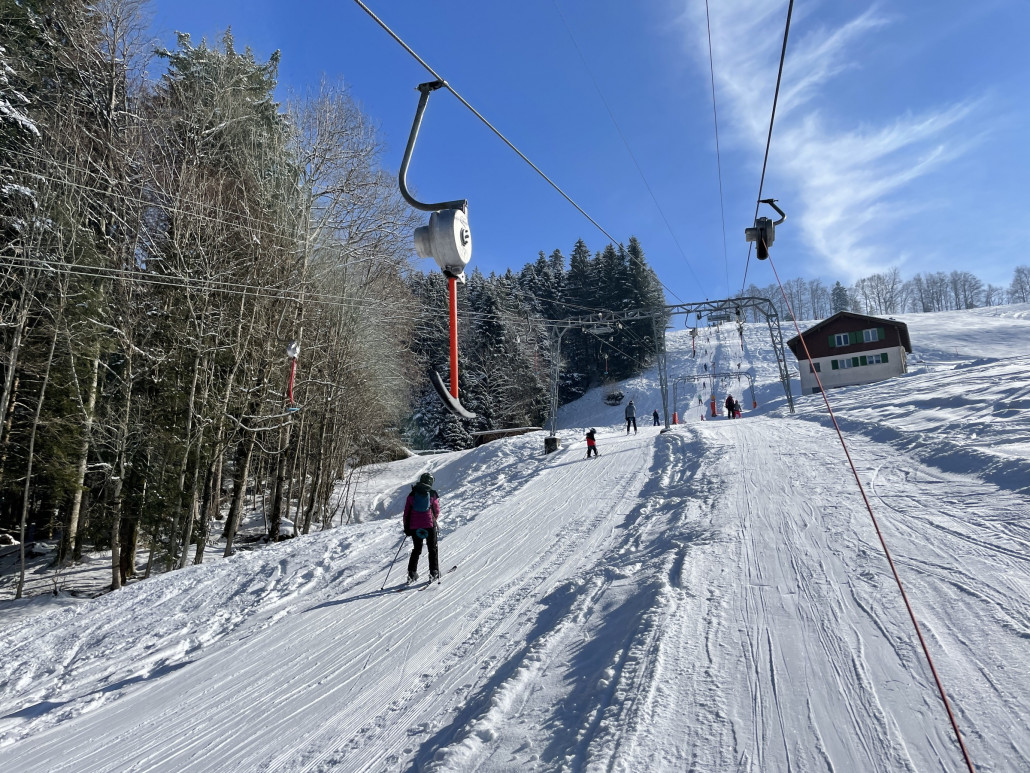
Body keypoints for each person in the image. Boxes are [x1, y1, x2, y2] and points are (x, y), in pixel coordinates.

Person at [403, 472, 440, 583]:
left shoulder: (412, 494)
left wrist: (407, 527)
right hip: (429, 525)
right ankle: (434, 572)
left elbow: (406, 513)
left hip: (415, 527)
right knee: (432, 548)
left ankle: (411, 573)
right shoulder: (432, 494)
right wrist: (433, 520)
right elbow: (436, 510)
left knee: (417, 549)